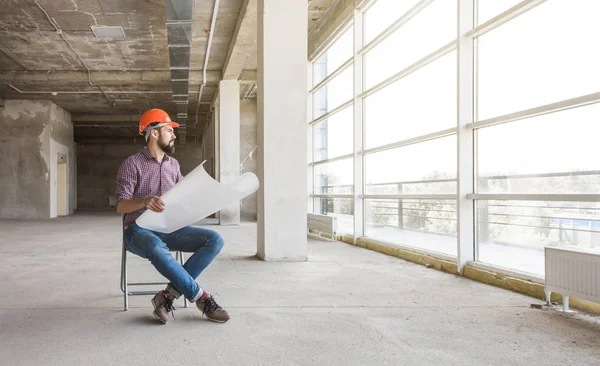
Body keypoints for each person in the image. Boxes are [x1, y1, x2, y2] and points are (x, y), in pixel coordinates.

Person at [115, 108, 229, 324]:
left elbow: (185, 196)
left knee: (215, 239)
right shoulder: (132, 164)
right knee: (156, 246)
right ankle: (201, 297)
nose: (174, 134)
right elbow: (120, 205)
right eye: (169, 130)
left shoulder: (174, 165)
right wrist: (144, 201)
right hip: (138, 230)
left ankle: (167, 296)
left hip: (170, 228)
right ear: (155, 133)